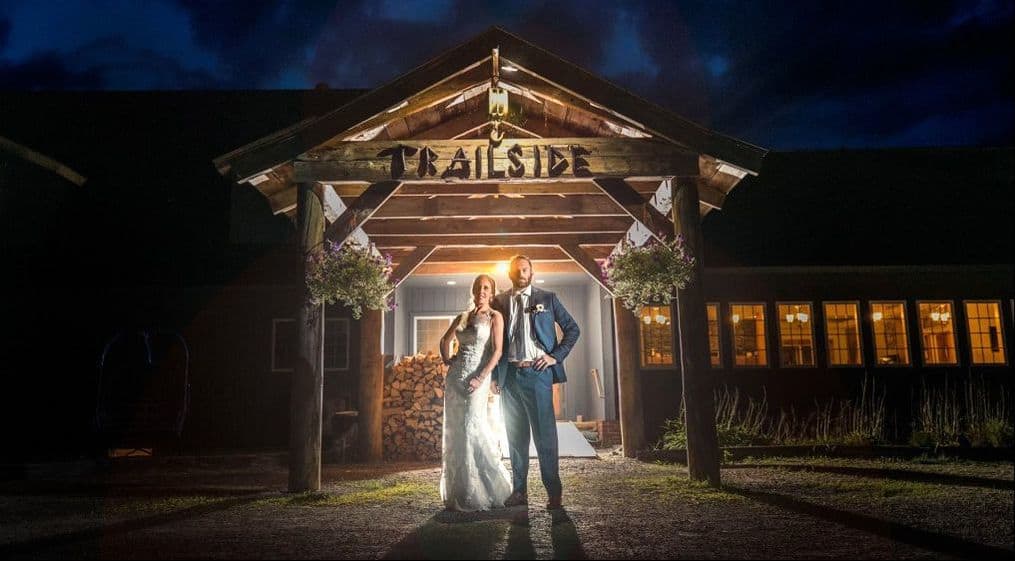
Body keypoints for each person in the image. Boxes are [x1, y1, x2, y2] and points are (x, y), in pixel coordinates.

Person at [492, 256, 580, 510]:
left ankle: (553, 492)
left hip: (537, 375)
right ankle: (519, 492)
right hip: (509, 377)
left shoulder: (547, 299)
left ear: (531, 272)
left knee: (545, 437)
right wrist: (494, 377)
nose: (521, 272)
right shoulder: (500, 301)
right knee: (515, 438)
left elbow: (573, 329)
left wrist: (555, 357)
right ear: (510, 273)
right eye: (517, 269)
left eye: (525, 269)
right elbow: (492, 343)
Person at [437, 274, 512, 511]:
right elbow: (445, 340)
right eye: (479, 287)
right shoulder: (463, 316)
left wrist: (481, 377)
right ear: (473, 290)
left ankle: (481, 489)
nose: (482, 291)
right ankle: (458, 490)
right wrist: (447, 359)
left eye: (486, 288)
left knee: (472, 427)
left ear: (491, 292)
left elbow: (497, 351)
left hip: (477, 378)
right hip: (455, 378)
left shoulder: (494, 317)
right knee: (456, 431)